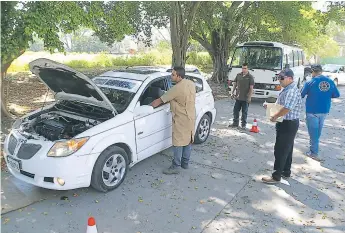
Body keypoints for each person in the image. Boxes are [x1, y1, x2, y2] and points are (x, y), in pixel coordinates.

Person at [151, 66, 196, 174]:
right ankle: (185, 163)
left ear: (179, 76)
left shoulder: (177, 88)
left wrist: (148, 106)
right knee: (188, 141)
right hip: (191, 117)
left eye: (173, 74)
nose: (171, 76)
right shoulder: (190, 84)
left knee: (178, 143)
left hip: (181, 120)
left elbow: (159, 101)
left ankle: (176, 166)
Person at [262, 69, 302, 184]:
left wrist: (274, 116)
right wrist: (270, 107)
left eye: (282, 78)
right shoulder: (287, 89)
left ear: (290, 78)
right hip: (287, 123)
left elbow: (287, 108)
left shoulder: (291, 91)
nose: (279, 80)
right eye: (279, 78)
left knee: (280, 150)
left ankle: (276, 176)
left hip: (288, 124)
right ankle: (286, 171)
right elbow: (282, 105)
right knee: (287, 149)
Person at [301, 64, 340, 161]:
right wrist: (325, 95)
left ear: (313, 72)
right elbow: (336, 94)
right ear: (321, 71)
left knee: (313, 133)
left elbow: (301, 94)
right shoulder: (330, 81)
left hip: (312, 111)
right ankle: (314, 148)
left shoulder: (310, 82)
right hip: (324, 111)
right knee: (317, 132)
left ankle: (314, 153)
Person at [229, 63, 254, 129]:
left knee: (244, 112)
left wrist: (249, 97)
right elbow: (235, 84)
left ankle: (243, 125)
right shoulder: (238, 75)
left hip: (245, 98)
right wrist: (232, 93)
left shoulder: (250, 77)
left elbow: (251, 88)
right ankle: (235, 123)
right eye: (243, 68)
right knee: (235, 111)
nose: (244, 69)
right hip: (238, 97)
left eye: (245, 68)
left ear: (247, 69)